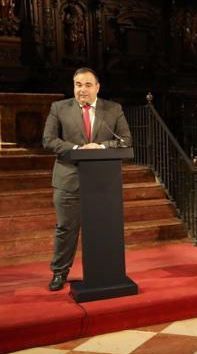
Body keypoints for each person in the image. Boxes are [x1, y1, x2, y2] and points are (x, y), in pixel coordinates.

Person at [42, 67, 132, 291]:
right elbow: (48, 140)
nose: (82, 90)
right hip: (68, 180)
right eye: (78, 84)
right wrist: (78, 149)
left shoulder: (113, 109)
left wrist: (100, 147)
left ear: (97, 87)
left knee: (103, 229)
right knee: (66, 228)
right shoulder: (59, 108)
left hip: (103, 182)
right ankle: (59, 273)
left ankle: (104, 275)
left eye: (87, 85)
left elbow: (125, 140)